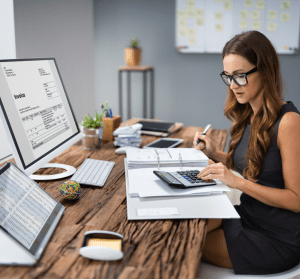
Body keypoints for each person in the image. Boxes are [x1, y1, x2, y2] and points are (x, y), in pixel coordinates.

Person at [193, 30, 300, 275]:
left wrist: (238, 183)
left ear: (265, 71)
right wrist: (215, 153)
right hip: (248, 217)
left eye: (240, 76)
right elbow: (254, 166)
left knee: (184, 242)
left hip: (276, 238)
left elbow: (296, 200)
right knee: (185, 226)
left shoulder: (289, 122)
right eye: (228, 77)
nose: (233, 86)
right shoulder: (249, 113)